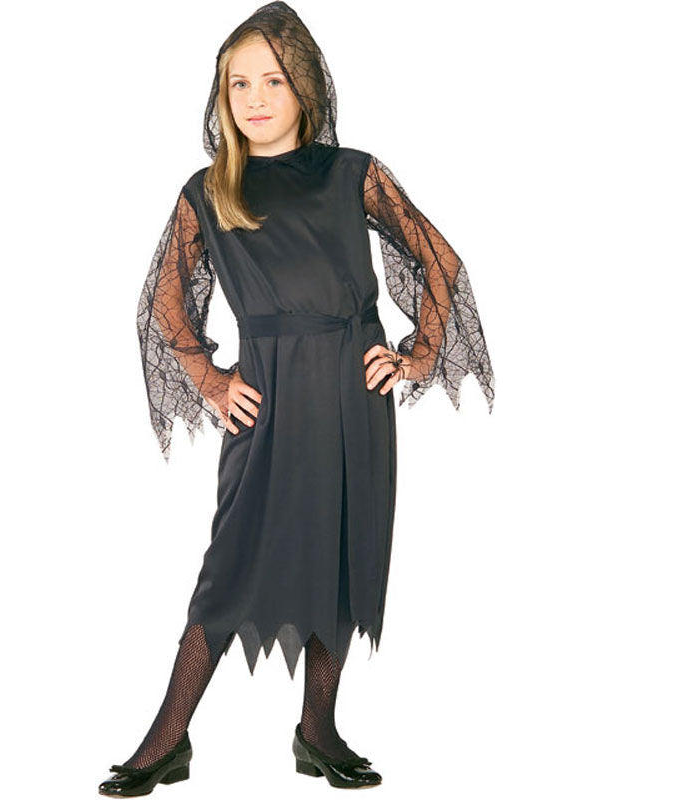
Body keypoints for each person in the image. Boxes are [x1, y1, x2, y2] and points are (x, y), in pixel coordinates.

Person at [99, 1, 495, 794]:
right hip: (269, 400)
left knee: (343, 553)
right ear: (221, 96)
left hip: (352, 395)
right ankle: (167, 738)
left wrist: (418, 354)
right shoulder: (208, 192)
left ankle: (318, 730)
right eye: (238, 83)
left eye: (273, 80)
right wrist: (210, 380)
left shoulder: (353, 174)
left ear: (305, 86)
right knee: (231, 562)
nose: (255, 97)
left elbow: (440, 261)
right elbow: (164, 303)